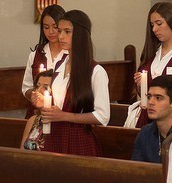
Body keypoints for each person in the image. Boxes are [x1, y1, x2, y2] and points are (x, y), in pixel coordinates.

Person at [21, 10, 109, 156]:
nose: (60, 36)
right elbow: (57, 102)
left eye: (67, 31)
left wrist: (64, 116)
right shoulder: (58, 65)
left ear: (80, 34)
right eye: (60, 31)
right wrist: (43, 101)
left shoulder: (96, 71)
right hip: (54, 136)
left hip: (77, 140)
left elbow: (102, 116)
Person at [22, 4, 68, 119]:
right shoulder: (36, 55)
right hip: (37, 114)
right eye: (46, 27)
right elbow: (26, 87)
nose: (51, 32)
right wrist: (33, 94)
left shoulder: (70, 56)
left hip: (61, 114)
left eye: (55, 27)